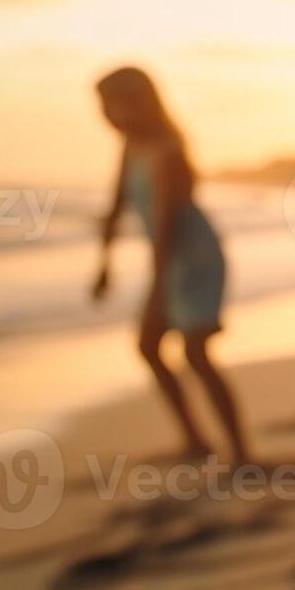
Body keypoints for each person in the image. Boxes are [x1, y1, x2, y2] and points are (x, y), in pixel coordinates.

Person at [92, 66, 247, 464]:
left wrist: (158, 290)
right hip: (168, 257)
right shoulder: (131, 146)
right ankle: (196, 442)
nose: (106, 114)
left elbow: (166, 227)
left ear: (139, 103)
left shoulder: (166, 151)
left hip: (192, 258)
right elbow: (116, 205)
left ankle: (241, 453)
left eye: (113, 104)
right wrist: (103, 264)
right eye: (103, 106)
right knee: (150, 346)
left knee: (194, 352)